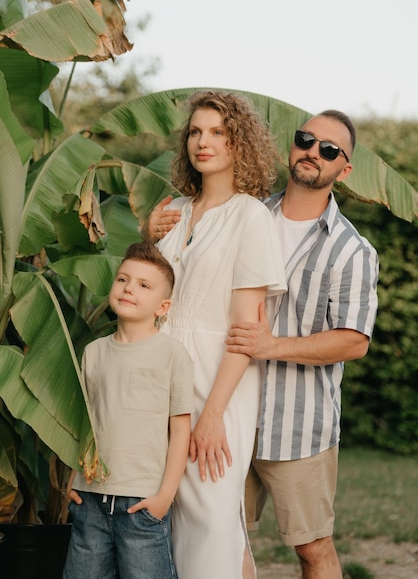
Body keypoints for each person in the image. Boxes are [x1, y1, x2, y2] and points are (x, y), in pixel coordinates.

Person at [148, 109, 379, 579]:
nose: (314, 152)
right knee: (227, 537)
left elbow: (354, 341)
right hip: (225, 399)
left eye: (329, 149)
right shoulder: (247, 211)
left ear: (344, 168)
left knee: (312, 547)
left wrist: (272, 345)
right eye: (306, 139)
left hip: (294, 418)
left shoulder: (351, 249)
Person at [145, 90, 287, 579]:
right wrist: (148, 237)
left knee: (210, 518)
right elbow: (144, 294)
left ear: (239, 144)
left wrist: (211, 417)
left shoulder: (250, 215)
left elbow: (248, 328)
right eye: (195, 132)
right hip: (160, 372)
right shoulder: (175, 212)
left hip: (216, 379)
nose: (203, 142)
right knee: (165, 516)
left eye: (218, 132)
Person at [63, 240, 194, 579]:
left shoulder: (172, 354)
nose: (128, 288)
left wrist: (165, 496)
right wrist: (70, 480)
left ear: (162, 307)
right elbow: (82, 424)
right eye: (123, 279)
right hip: (89, 499)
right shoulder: (93, 352)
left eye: (143, 285)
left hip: (141, 503)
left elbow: (180, 430)